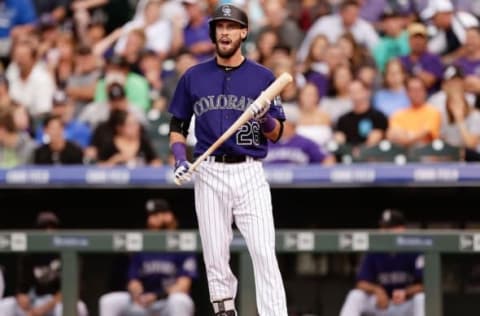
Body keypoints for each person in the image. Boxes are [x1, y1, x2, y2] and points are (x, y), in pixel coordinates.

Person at [168, 4, 288, 316]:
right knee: (215, 255)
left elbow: (277, 134)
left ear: (244, 32)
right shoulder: (193, 77)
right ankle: (224, 311)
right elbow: (177, 127)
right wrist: (180, 158)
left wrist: (264, 120)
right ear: (213, 33)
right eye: (220, 27)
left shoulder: (263, 77)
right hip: (208, 170)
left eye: (231, 27)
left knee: (263, 252)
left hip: (249, 172)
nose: (225, 32)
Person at [99, 198, 197, 316]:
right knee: (109, 301)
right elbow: (133, 280)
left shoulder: (182, 243)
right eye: (150, 215)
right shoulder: (143, 245)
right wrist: (135, 290)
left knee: (180, 300)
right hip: (144, 303)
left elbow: (183, 286)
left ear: (168, 216)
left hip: (166, 303)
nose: (151, 219)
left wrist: (157, 296)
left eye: (156, 215)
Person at [0, 211, 88, 316]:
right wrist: (22, 297)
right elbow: (22, 288)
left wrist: (44, 308)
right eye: (43, 228)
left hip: (56, 303)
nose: (48, 231)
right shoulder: (29, 255)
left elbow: (71, 292)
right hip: (35, 301)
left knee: (76, 306)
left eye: (52, 227)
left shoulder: (68, 253)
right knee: (5, 305)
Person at [339, 209, 425, 316]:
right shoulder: (375, 250)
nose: (385, 232)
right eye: (383, 228)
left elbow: (425, 285)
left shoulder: (414, 249)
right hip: (382, 305)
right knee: (355, 295)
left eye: (390, 228)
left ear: (402, 229)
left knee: (421, 298)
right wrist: (377, 290)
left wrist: (406, 293)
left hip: (405, 304)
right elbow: (361, 283)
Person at [264, 105, 334, 165]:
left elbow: (327, 159)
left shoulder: (305, 142)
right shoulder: (266, 142)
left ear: (292, 124)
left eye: (280, 123)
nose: (275, 125)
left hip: (299, 180)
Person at [387, 77, 441, 147]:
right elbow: (391, 135)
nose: (416, 93)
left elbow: (427, 133)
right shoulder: (398, 114)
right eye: (412, 90)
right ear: (407, 93)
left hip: (426, 153)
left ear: (425, 91)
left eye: (419, 89)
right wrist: (415, 135)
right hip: (404, 154)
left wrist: (407, 135)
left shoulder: (433, 112)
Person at [335, 80, 388, 148]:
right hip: (349, 155)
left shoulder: (379, 117)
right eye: (352, 92)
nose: (355, 95)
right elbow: (339, 139)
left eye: (358, 91)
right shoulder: (343, 120)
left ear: (367, 92)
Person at [398, 23, 444, 94]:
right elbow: (397, 82)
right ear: (408, 40)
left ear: (426, 40)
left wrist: (411, 71)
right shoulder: (401, 59)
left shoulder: (433, 58)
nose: (417, 41)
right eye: (414, 38)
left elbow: (429, 82)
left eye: (421, 38)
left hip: (430, 97)